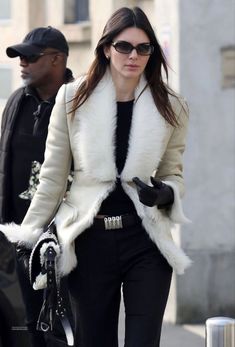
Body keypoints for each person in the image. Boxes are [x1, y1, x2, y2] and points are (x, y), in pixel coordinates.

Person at [1, 7, 192, 347]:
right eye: (124, 46)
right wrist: (27, 234)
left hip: (145, 240)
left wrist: (165, 194)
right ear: (106, 48)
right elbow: (52, 177)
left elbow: (173, 172)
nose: (133, 55)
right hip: (89, 242)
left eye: (143, 48)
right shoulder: (72, 99)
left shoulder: (171, 105)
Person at [0, 26, 74, 347]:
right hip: (18, 239)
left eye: (30, 57)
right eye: (19, 58)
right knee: (22, 329)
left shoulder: (77, 102)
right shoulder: (17, 101)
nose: (22, 64)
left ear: (57, 60)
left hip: (64, 242)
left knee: (64, 329)